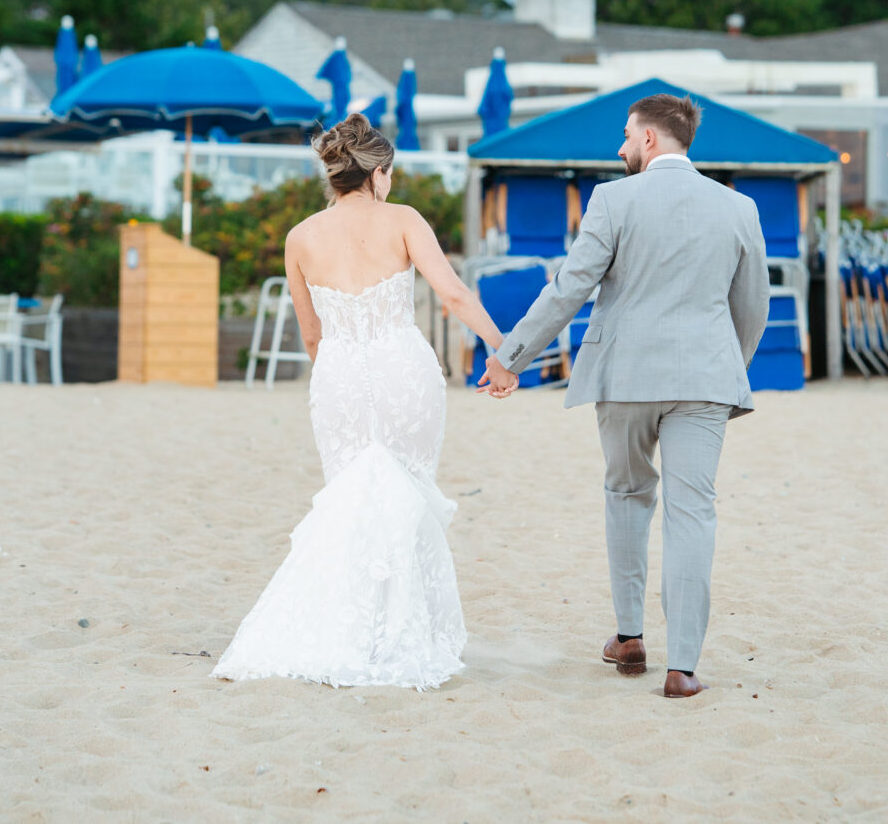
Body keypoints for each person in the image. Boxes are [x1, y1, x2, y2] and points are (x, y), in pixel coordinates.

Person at [479, 93, 769, 698]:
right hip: (706, 382)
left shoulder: (613, 198)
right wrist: (724, 370)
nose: (620, 147)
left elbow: (569, 289)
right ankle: (683, 668)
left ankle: (630, 636)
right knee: (694, 515)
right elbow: (753, 308)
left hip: (626, 376)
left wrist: (511, 358)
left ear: (651, 140)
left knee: (627, 494)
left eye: (627, 136)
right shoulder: (740, 207)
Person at [213, 113, 508, 690]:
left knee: (350, 498)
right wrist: (505, 351)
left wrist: (337, 378)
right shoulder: (403, 220)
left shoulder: (300, 237)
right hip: (402, 370)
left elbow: (312, 334)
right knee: (405, 492)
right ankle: (401, 634)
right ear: (377, 174)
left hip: (340, 375)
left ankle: (356, 632)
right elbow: (451, 293)